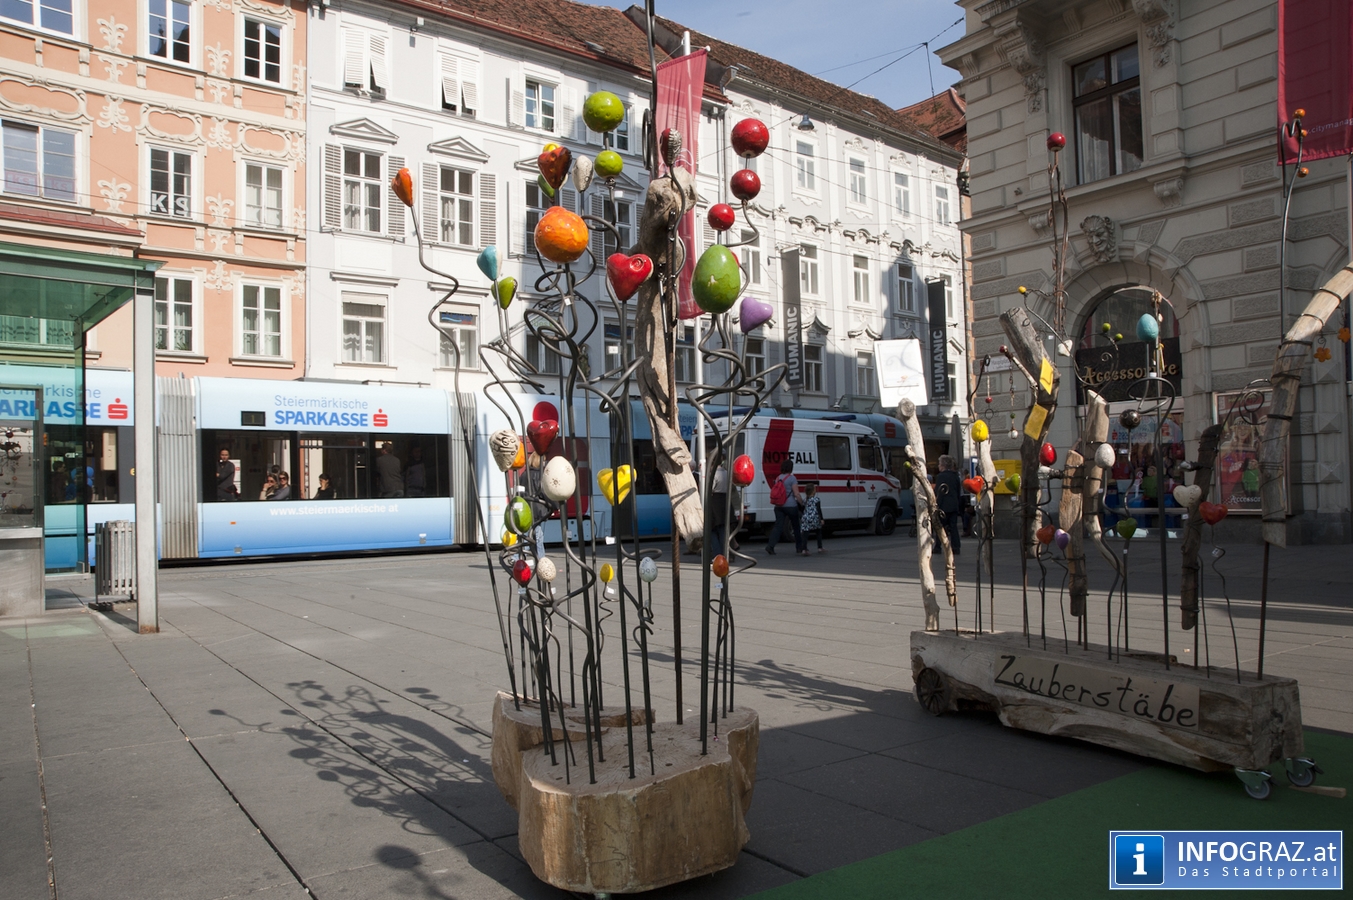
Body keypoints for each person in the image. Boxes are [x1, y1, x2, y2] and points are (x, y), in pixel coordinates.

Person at [765, 459, 806, 556]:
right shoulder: (792, 479)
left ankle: (770, 546)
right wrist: (802, 503)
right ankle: (799, 547)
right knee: (796, 526)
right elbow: (796, 493)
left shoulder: (778, 477)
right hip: (791, 505)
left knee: (778, 526)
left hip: (779, 506)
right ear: (791, 468)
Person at [933, 455, 962, 554]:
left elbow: (939, 491)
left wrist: (936, 505)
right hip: (953, 505)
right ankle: (956, 547)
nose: (938, 466)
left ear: (943, 465)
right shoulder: (955, 476)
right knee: (953, 527)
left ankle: (938, 546)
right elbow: (958, 491)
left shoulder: (941, 476)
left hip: (943, 505)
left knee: (939, 527)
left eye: (939, 464)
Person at [800, 482, 825, 553]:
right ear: (814, 491)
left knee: (805, 533)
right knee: (818, 532)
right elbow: (818, 509)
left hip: (806, 518)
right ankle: (820, 547)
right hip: (815, 517)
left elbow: (803, 509)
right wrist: (822, 519)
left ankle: (804, 549)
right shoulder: (816, 499)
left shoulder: (805, 500)